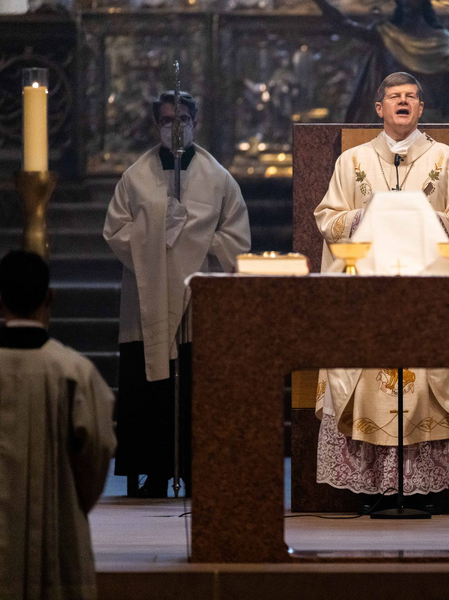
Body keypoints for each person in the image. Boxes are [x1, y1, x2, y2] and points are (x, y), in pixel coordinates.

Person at [313, 72, 449, 507]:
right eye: (394, 97)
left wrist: (424, 216)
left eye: (410, 96)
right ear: (380, 108)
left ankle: (421, 485)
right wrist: (370, 213)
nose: (403, 102)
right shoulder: (351, 162)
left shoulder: (448, 160)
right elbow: (327, 219)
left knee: (426, 382)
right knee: (370, 380)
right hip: (367, 296)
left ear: (421, 108)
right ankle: (373, 485)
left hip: (429, 294)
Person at [104, 90, 251, 498]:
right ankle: (150, 471)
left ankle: (194, 466)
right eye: (168, 120)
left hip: (196, 301)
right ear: (156, 125)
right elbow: (115, 230)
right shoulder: (134, 177)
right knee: (148, 388)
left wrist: (196, 243)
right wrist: (156, 238)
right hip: (148, 295)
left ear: (196, 122)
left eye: (183, 118)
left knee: (193, 386)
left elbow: (236, 238)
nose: (176, 127)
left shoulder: (218, 178)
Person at [0, 250, 116, 599]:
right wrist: (71, 500)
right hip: (57, 534)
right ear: (50, 297)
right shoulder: (75, 372)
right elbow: (99, 449)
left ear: (0, 298)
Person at [310, 0, 449, 122]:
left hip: (431, 127)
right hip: (389, 128)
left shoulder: (440, 40)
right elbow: (344, 25)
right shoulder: (387, 35)